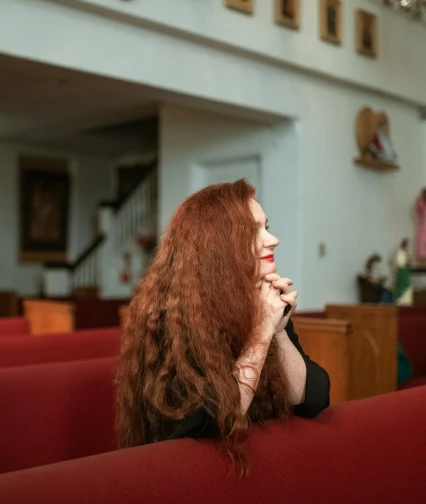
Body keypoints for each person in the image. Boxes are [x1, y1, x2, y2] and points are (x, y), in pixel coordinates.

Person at [115, 180, 330, 474]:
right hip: (190, 478)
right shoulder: (173, 320)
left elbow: (310, 397)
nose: (273, 239)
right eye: (255, 231)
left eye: (267, 226)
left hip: (248, 470)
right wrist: (261, 332)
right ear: (221, 247)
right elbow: (219, 421)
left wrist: (278, 331)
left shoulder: (261, 302)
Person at [394, 238, 413, 305]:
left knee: (407, 287)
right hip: (402, 273)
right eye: (406, 245)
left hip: (406, 273)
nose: (407, 246)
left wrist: (409, 262)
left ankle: (407, 302)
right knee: (402, 287)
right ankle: (400, 301)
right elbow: (400, 264)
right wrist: (407, 262)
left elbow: (409, 262)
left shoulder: (406, 252)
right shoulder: (400, 252)